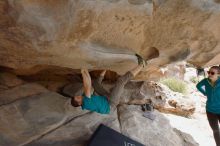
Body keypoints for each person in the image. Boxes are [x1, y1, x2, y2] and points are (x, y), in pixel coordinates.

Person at [71, 56, 146, 114]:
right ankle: (142, 64)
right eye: (77, 98)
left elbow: (89, 84)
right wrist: (83, 71)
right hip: (110, 103)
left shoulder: (84, 98)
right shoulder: (86, 103)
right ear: (79, 103)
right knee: (121, 81)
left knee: (96, 84)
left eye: (77, 96)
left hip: (104, 98)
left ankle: (106, 68)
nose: (78, 96)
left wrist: (85, 70)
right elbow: (87, 85)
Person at [196, 66, 220, 146]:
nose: (209, 74)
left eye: (212, 73)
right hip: (210, 110)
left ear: (218, 74)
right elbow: (198, 86)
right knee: (215, 130)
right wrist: (205, 93)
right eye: (208, 72)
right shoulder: (206, 81)